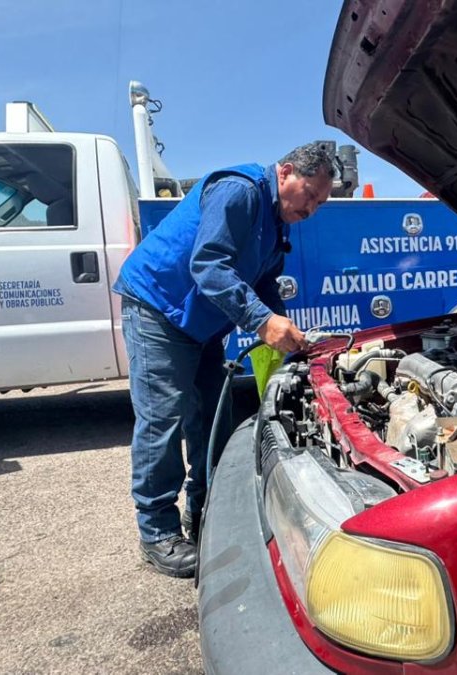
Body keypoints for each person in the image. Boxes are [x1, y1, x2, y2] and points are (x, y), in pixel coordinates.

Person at [113, 144, 336, 578]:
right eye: (310, 194)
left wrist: (283, 329)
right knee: (164, 420)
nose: (311, 209)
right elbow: (209, 265)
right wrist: (261, 321)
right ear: (286, 172)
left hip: (199, 325)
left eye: (320, 204)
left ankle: (203, 514)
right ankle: (157, 534)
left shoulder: (275, 222)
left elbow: (265, 283)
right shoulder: (239, 190)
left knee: (212, 419)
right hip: (158, 308)